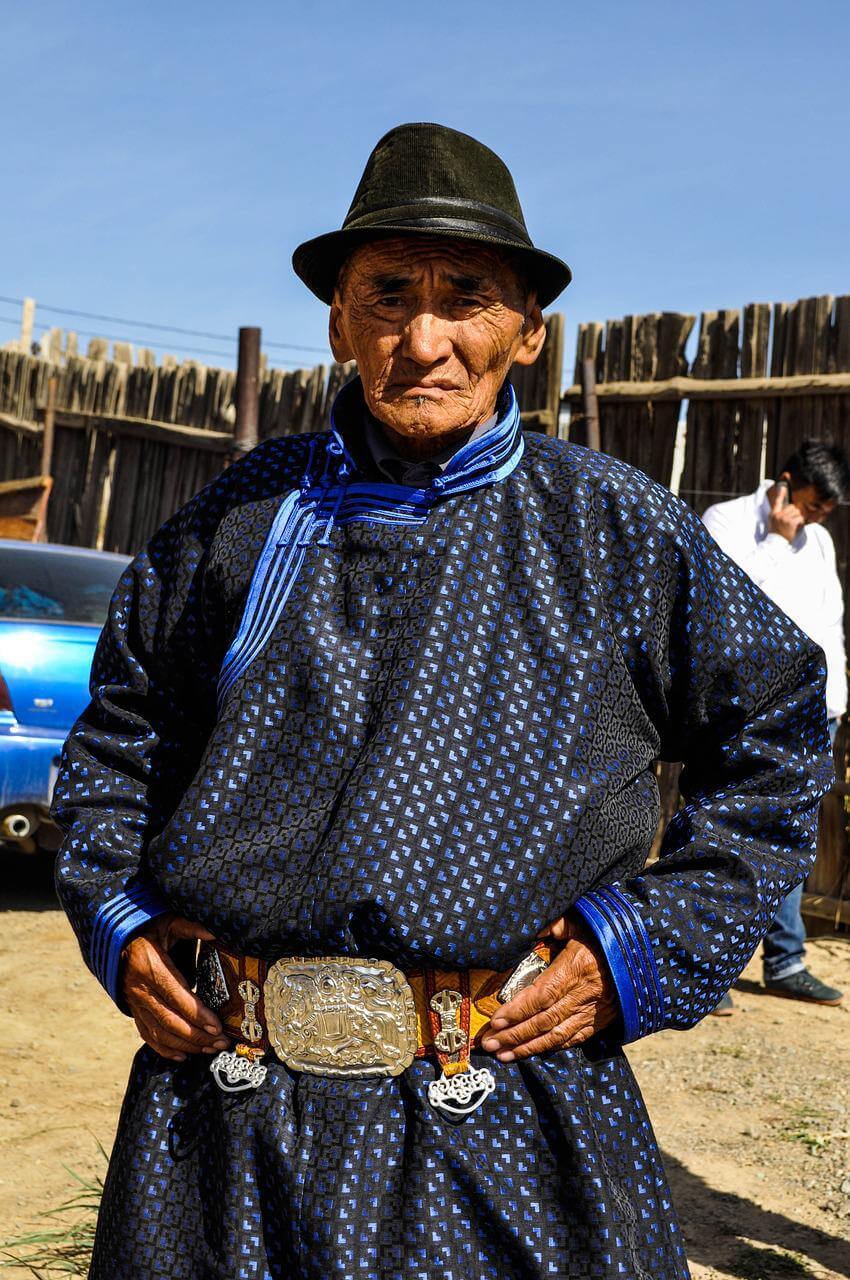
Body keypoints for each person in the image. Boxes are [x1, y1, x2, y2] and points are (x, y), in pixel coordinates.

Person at [52, 123, 833, 1280]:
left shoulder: (612, 527)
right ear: (337, 319)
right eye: (387, 294)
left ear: (526, 329)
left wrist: (646, 941)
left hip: (507, 1111)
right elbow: (120, 731)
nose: (424, 338)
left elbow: (778, 725)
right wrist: (118, 922)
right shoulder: (238, 517)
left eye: (466, 295)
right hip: (223, 1120)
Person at [703, 440, 849, 1010]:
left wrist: (837, 695)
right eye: (811, 506)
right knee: (729, 834)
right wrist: (780, 542)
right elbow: (732, 611)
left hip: (817, 712)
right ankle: (710, 971)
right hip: (750, 707)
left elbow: (826, 620)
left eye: (824, 513)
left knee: (792, 837)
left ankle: (786, 962)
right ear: (784, 484)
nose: (814, 520)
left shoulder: (822, 541)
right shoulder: (728, 523)